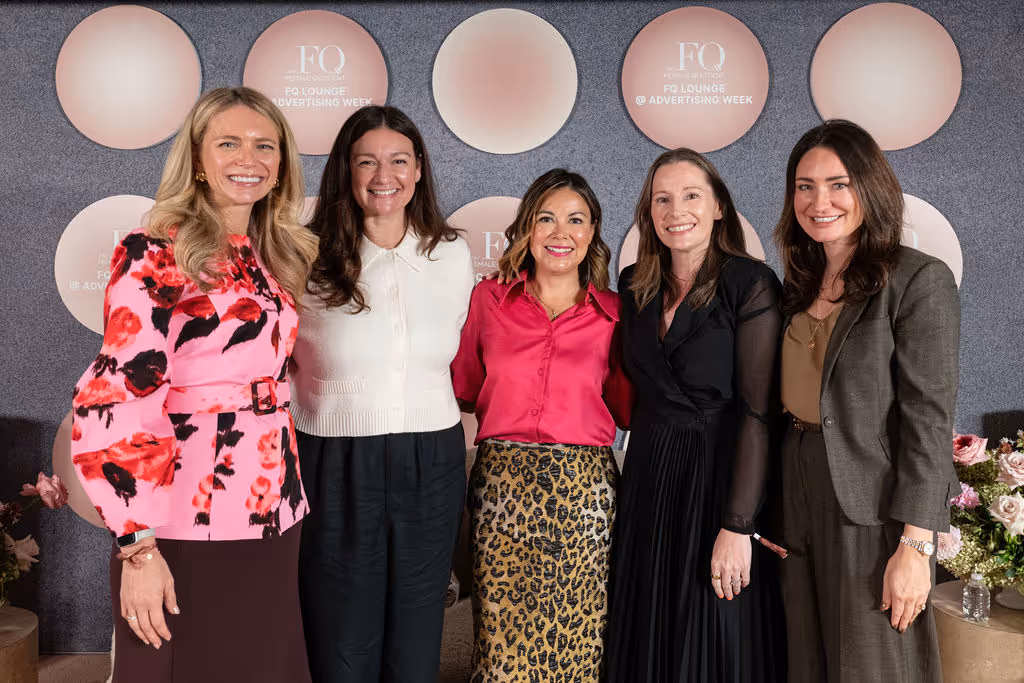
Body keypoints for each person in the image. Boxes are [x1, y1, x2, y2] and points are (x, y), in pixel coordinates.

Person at [71, 86, 319, 682]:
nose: (248, 158)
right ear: (198, 160)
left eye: (265, 145)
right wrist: (138, 548)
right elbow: (116, 399)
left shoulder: (272, 253)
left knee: (263, 664)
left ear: (282, 163)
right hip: (183, 512)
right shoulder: (153, 252)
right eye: (228, 142)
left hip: (272, 504)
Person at [290, 105, 474, 683]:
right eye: (365, 161)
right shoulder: (304, 255)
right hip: (336, 457)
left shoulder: (452, 255)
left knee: (419, 628)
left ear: (418, 169)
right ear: (345, 171)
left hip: (433, 455)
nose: (382, 175)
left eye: (398, 160)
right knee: (342, 633)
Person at [773, 119, 960, 682]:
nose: (819, 200)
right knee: (805, 662)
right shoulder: (798, 283)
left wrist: (916, 548)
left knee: (873, 666)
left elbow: (927, 422)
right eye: (804, 186)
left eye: (838, 183)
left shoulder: (917, 279)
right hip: (795, 487)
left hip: (871, 506)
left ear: (870, 187)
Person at [603, 148, 786, 682]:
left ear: (718, 208)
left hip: (720, 476)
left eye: (690, 196)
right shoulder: (635, 283)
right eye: (662, 198)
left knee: (712, 628)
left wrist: (738, 525)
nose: (675, 209)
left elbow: (757, 413)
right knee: (647, 626)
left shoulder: (749, 283)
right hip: (649, 477)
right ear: (648, 211)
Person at [450, 169, 631, 682]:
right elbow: (466, 385)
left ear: (593, 231)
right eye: (546, 218)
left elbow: (624, 406)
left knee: (579, 640)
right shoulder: (488, 300)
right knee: (501, 643)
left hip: (584, 492)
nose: (560, 232)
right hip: (502, 487)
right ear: (526, 228)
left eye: (575, 220)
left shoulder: (615, 314)